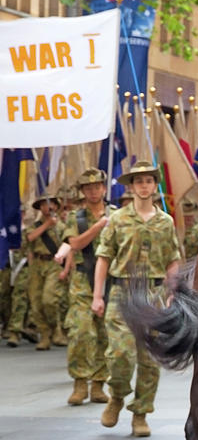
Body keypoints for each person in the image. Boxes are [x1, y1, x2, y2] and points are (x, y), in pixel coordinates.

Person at [91, 161, 180, 437]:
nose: (144, 186)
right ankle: (117, 395)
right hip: (122, 293)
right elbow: (103, 258)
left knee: (150, 360)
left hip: (153, 295)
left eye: (149, 181)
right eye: (138, 181)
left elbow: (173, 261)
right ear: (131, 186)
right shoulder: (118, 219)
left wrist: (172, 295)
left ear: (155, 186)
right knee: (119, 354)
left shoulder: (165, 222)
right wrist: (97, 296)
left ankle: (140, 413)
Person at [59, 168, 112, 406]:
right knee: (81, 332)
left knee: (104, 334)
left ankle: (99, 384)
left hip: (109, 280)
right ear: (83, 192)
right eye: (88, 188)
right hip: (81, 282)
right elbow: (76, 244)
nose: (93, 191)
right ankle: (80, 382)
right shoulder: (75, 218)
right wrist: (99, 226)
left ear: (103, 188)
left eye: (97, 186)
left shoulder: (118, 215)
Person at [24, 194, 66, 350]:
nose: (47, 207)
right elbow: (29, 238)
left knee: (49, 299)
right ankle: (45, 334)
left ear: (56, 206)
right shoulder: (35, 226)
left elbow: (69, 246)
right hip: (37, 264)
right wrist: (46, 225)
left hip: (53, 264)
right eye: (42, 205)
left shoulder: (62, 226)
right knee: (35, 302)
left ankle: (57, 329)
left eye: (49, 204)